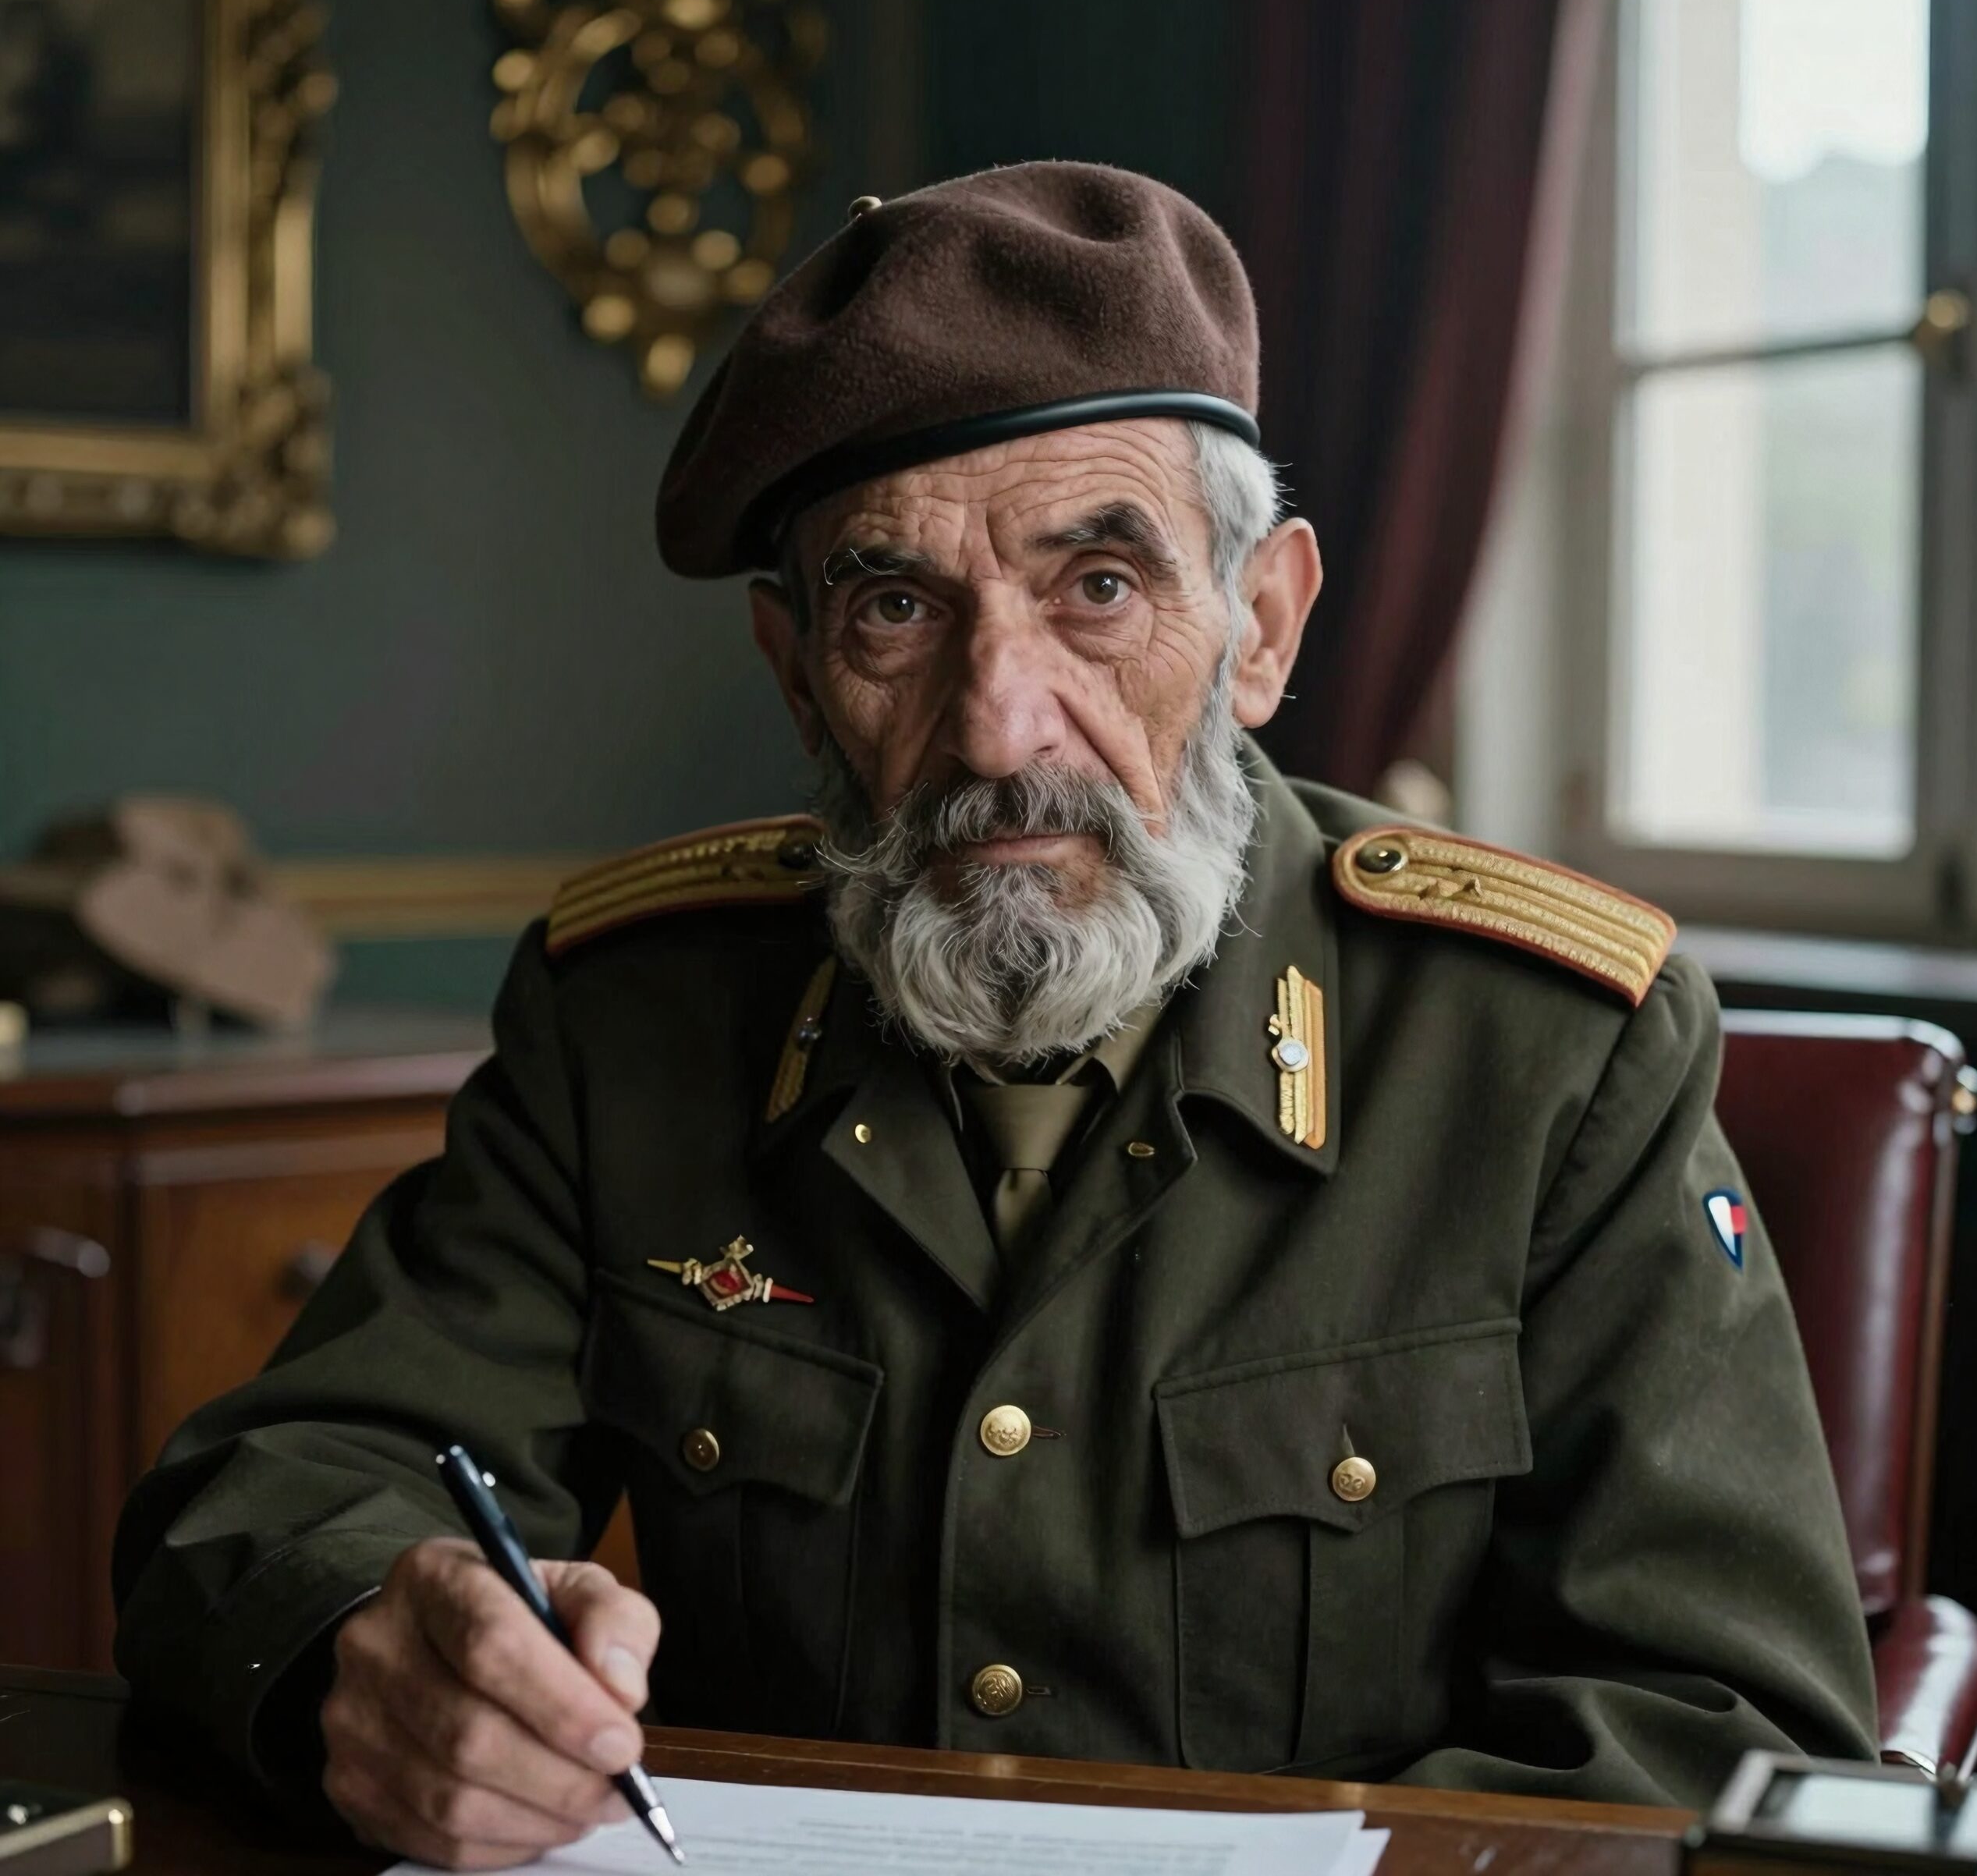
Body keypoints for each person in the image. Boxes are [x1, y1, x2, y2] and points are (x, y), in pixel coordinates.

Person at [113, 162, 1876, 1871]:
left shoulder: (1546, 1049)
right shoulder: (634, 1020)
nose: (997, 723)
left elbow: (1725, 1723)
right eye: (895, 604)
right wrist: (376, 1646)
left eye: (1096, 586)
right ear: (796, 670)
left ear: (1257, 627)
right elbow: (289, 1480)